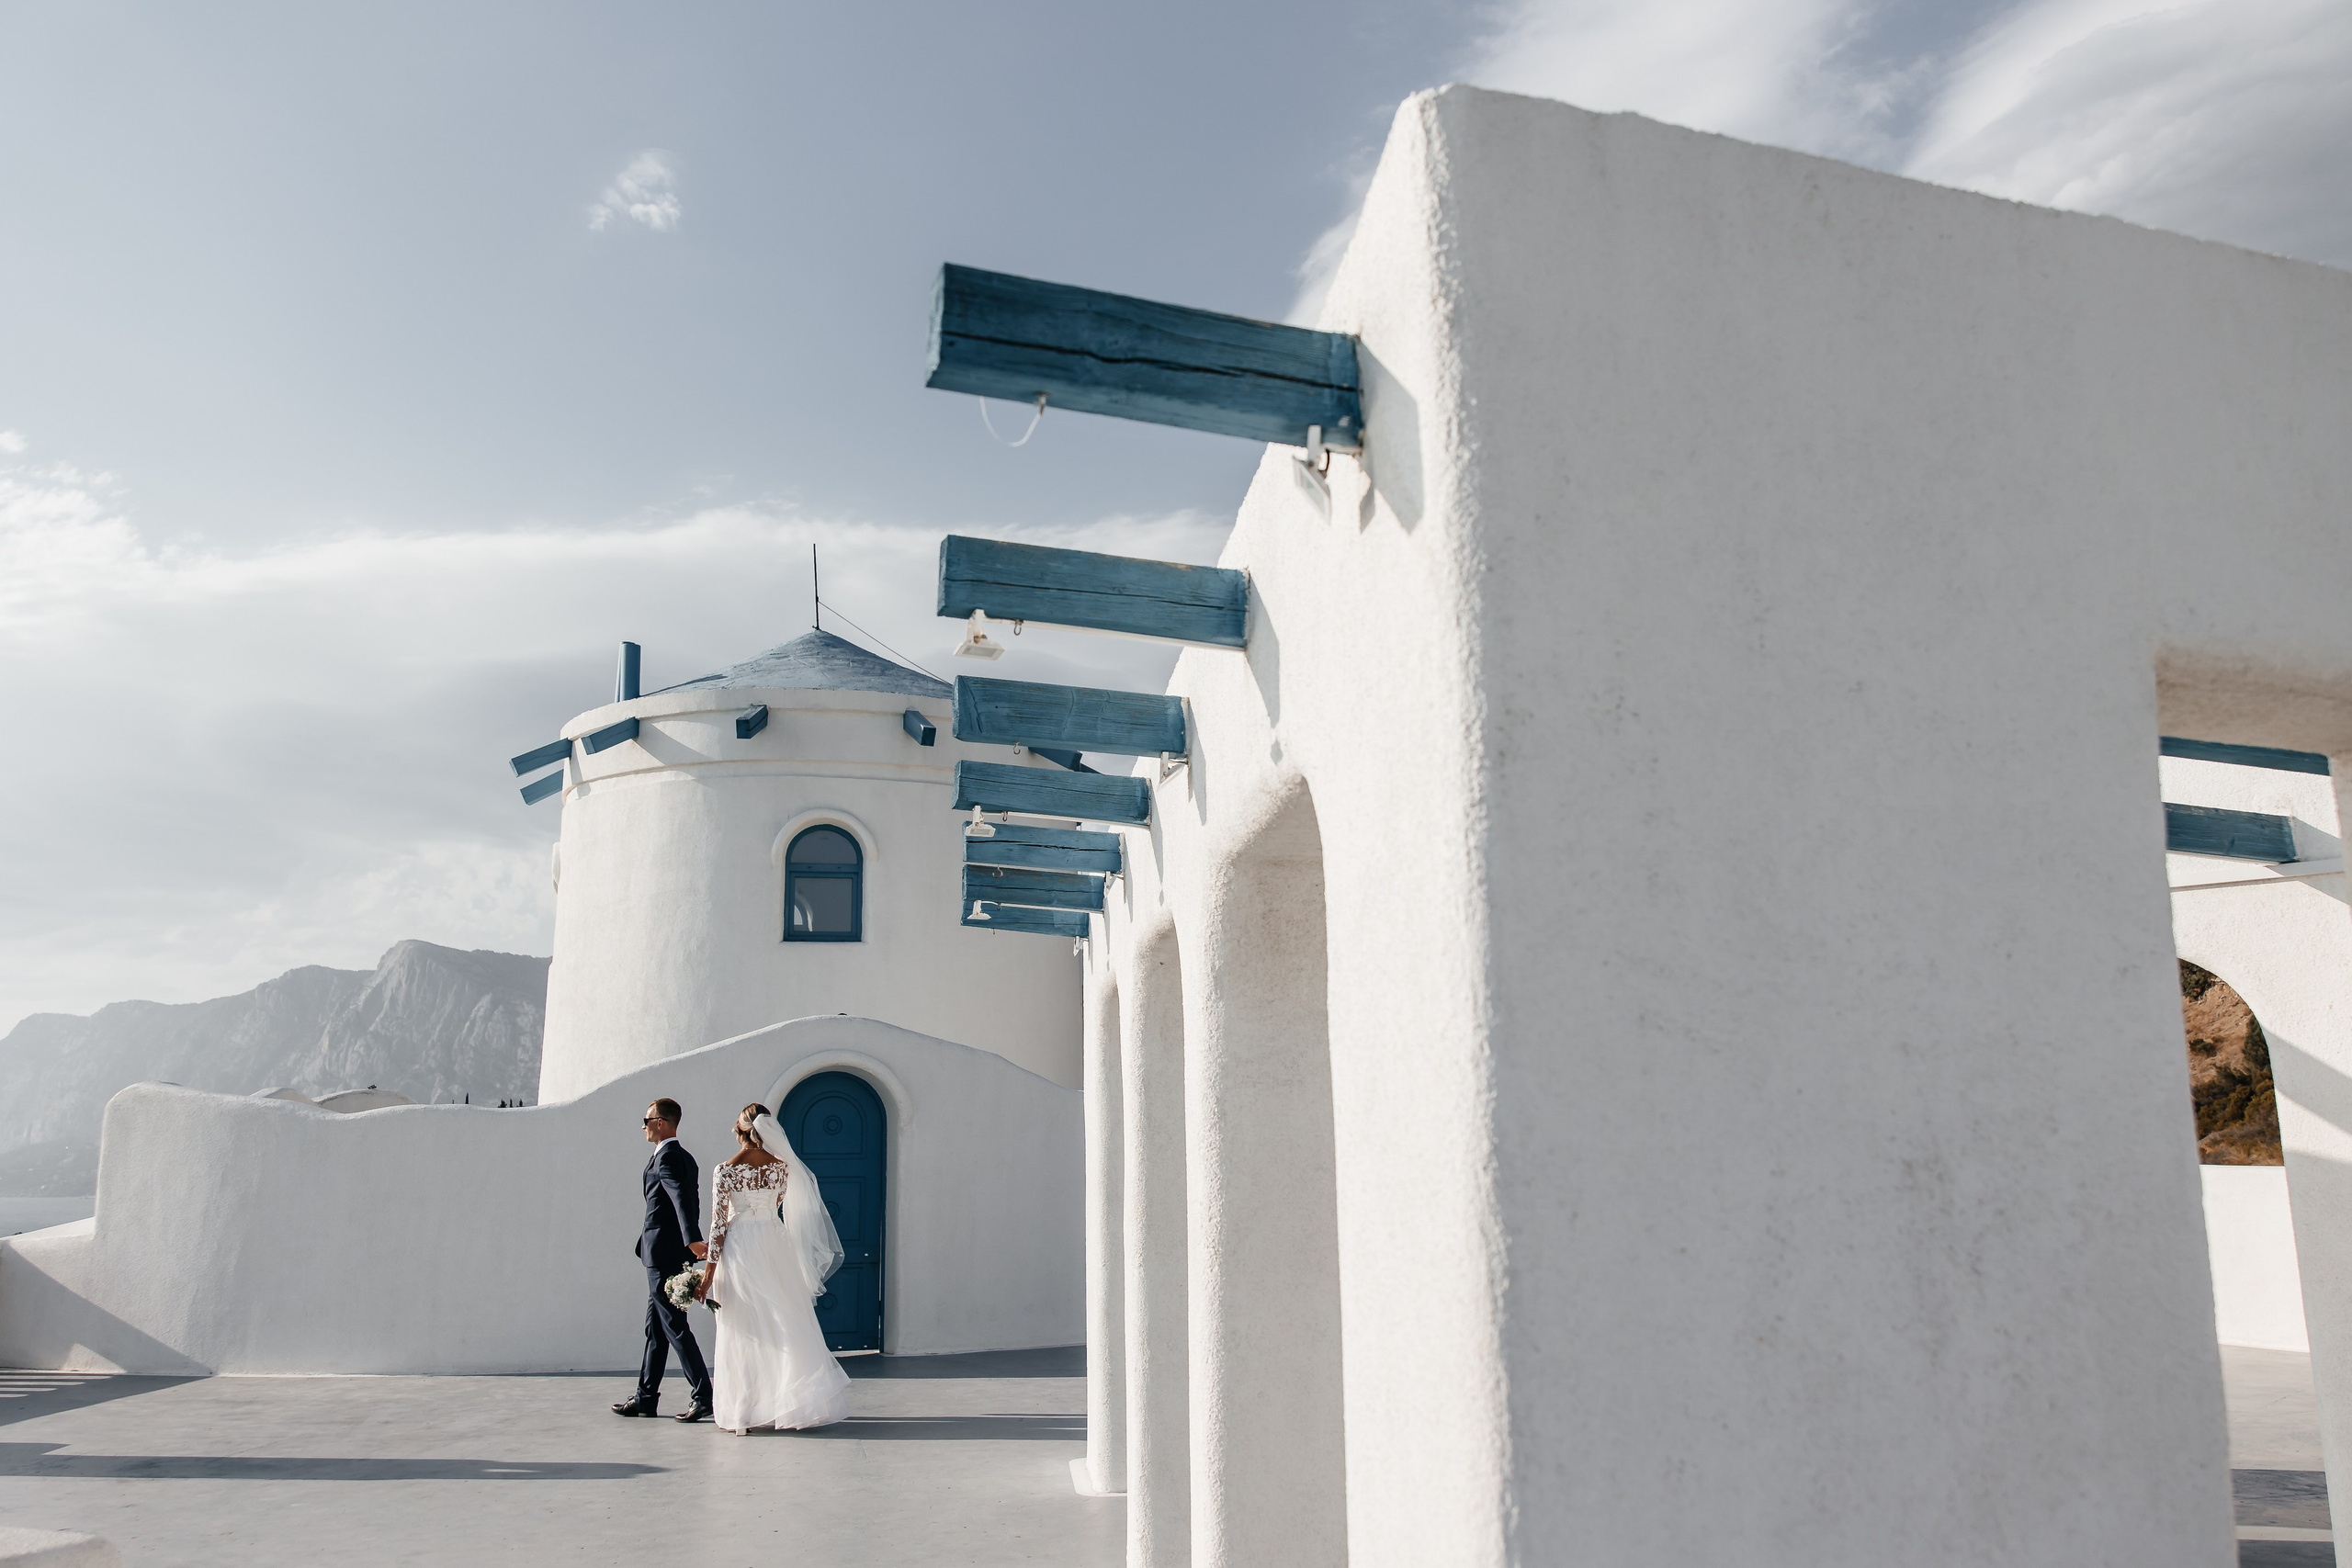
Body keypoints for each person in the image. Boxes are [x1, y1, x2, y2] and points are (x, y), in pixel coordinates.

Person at [695, 1102, 853, 1433]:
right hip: (774, 1243)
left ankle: (743, 1412)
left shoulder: (725, 1170)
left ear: (739, 1132)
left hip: (740, 1247)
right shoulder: (783, 1168)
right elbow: (778, 1205)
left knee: (743, 1327)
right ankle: (787, 1402)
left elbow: (718, 1227)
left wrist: (708, 1274)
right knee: (782, 1320)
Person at [612, 1098, 713, 1422]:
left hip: (663, 1253)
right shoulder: (685, 1157)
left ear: (661, 1122)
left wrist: (692, 1239)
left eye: (647, 1119)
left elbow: (682, 1198)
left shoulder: (668, 1158)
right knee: (655, 1329)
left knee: (673, 1327)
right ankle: (645, 1397)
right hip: (666, 1253)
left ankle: (703, 1395)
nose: (643, 1125)